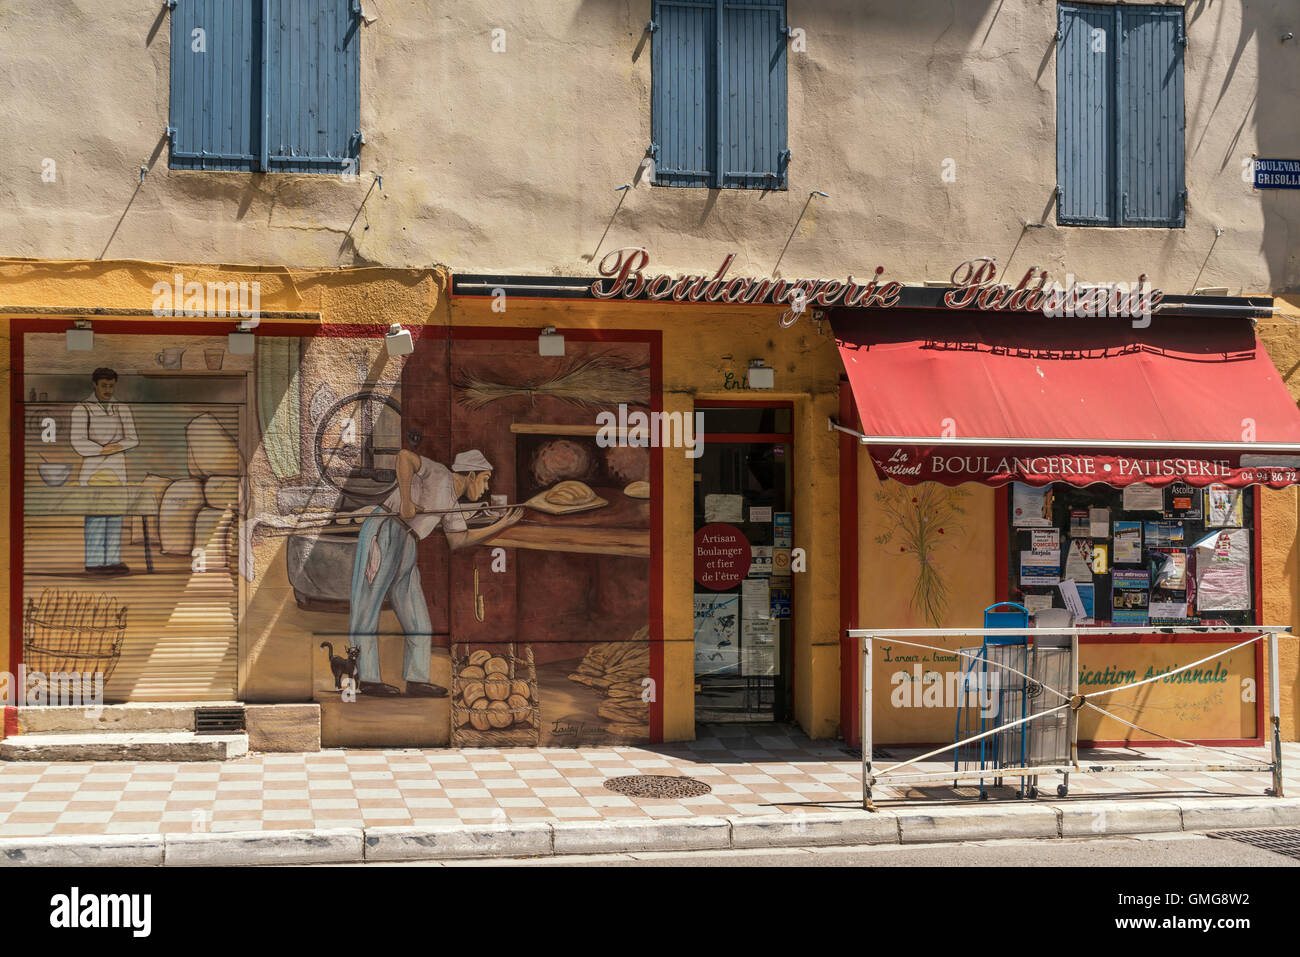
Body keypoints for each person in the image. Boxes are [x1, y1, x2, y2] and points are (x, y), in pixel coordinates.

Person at [348, 448, 524, 697]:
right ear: (471, 475)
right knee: (367, 606)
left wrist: (500, 525)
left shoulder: (452, 501)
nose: (485, 488)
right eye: (484, 479)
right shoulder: (439, 473)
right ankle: (365, 678)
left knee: (417, 616)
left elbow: (459, 540)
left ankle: (416, 679)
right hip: (385, 528)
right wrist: (407, 500)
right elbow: (404, 457)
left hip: (408, 540)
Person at [70, 368, 138, 576]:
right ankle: (94, 562)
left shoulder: (122, 408)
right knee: (97, 516)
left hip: (117, 469)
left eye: (111, 386)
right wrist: (101, 450)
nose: (108, 390)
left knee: (115, 516)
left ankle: (113, 561)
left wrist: (114, 448)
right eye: (104, 386)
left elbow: (133, 438)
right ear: (94, 384)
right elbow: (77, 441)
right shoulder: (82, 408)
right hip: (93, 471)